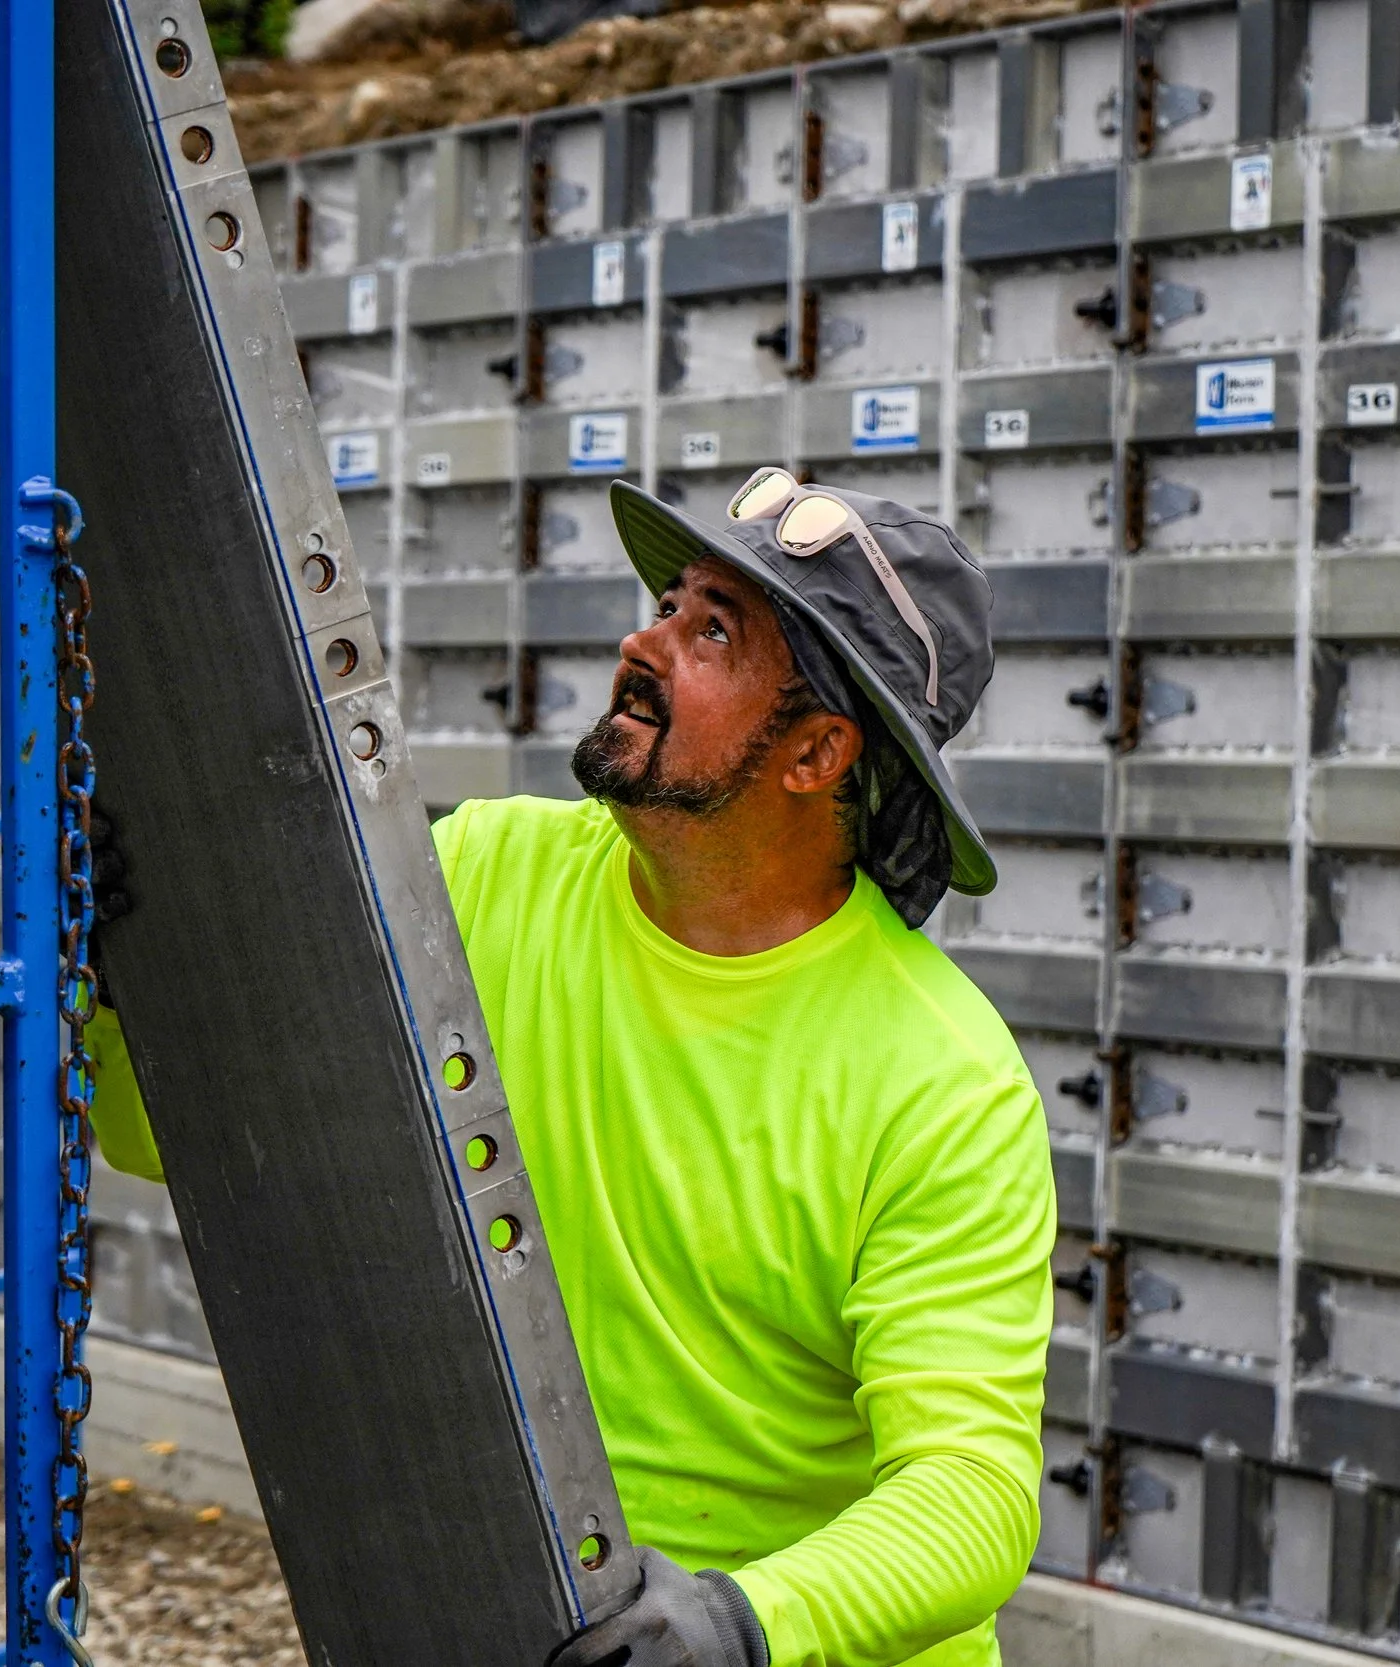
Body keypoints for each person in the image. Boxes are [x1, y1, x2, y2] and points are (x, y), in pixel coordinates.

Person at [86, 468, 1055, 1667]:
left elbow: (974, 1495)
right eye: (667, 599)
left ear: (815, 750)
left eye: (711, 629)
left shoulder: (938, 1077)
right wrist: (131, 988)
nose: (641, 641)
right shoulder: (486, 873)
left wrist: (734, 1625)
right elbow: (175, 1144)